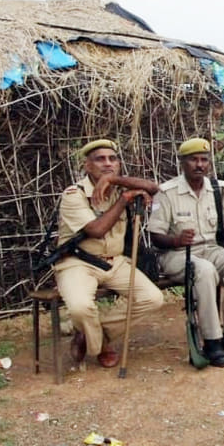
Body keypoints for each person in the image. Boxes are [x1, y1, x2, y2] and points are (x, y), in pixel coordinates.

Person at [55, 139, 164, 368]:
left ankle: (94, 334)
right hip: (78, 263)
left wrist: (114, 180)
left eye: (112, 159)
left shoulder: (120, 187)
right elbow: (96, 230)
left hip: (115, 263)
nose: (107, 163)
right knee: (80, 307)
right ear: (87, 166)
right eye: (100, 159)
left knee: (152, 299)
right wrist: (125, 200)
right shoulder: (74, 194)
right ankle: (101, 346)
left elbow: (154, 188)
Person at [148, 138, 224, 367]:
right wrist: (176, 239)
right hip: (177, 254)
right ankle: (212, 341)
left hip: (211, 248)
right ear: (183, 163)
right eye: (193, 160)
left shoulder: (217, 189)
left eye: (204, 160)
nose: (199, 164)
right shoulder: (167, 193)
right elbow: (155, 236)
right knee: (204, 270)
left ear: (209, 163)